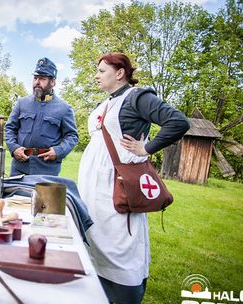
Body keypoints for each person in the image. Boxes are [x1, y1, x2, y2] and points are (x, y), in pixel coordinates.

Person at [77, 53, 190, 304]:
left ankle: (126, 296)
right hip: (94, 190)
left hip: (116, 188)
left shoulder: (137, 97)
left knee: (120, 246)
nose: (96, 75)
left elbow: (178, 122)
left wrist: (146, 149)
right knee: (94, 238)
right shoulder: (106, 103)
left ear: (119, 73)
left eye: (101, 70)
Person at [5, 57, 78, 176]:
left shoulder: (64, 108)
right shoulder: (21, 103)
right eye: (35, 78)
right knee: (16, 195)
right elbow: (10, 129)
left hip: (47, 169)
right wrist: (14, 148)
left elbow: (72, 136)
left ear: (53, 82)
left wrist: (58, 151)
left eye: (42, 79)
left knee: (44, 196)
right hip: (20, 168)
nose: (37, 82)